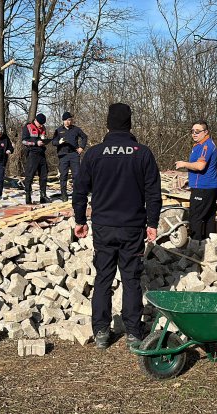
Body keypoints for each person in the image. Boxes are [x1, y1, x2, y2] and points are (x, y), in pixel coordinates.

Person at [73, 103, 162, 349]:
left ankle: (101, 331)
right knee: (131, 278)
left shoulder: (94, 154)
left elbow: (79, 191)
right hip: (132, 227)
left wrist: (80, 220)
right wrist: (152, 223)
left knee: (103, 277)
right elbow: (153, 193)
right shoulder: (142, 153)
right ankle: (133, 332)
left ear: (108, 124)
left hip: (103, 226)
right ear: (129, 123)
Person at [175, 120, 217, 240]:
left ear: (206, 132)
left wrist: (184, 164)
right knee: (209, 217)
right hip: (208, 187)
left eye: (197, 131)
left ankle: (195, 247)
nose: (194, 134)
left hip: (203, 187)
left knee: (196, 217)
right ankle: (209, 244)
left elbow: (200, 166)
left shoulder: (206, 146)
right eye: (192, 131)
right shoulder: (199, 145)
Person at [51, 111, 88, 201]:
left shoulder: (76, 129)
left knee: (76, 175)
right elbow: (53, 142)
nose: (68, 122)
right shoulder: (58, 130)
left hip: (74, 155)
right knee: (63, 175)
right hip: (63, 155)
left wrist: (81, 147)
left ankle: (76, 194)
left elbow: (84, 137)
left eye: (69, 120)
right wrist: (58, 142)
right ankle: (64, 195)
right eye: (66, 120)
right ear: (63, 120)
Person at [21, 113, 49, 204]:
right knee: (30, 175)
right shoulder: (28, 127)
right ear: (35, 120)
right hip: (32, 153)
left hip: (41, 153)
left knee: (44, 175)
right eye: (40, 123)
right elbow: (24, 141)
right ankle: (28, 196)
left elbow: (43, 137)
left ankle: (43, 195)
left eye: (42, 124)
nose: (41, 126)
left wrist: (45, 141)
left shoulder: (43, 128)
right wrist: (36, 142)